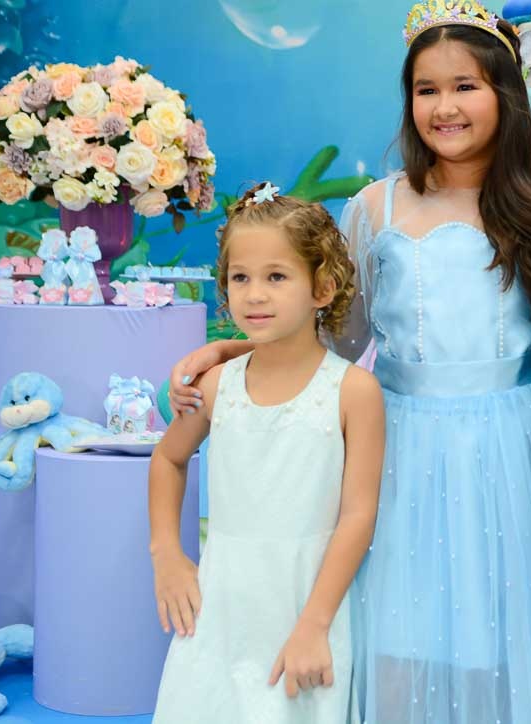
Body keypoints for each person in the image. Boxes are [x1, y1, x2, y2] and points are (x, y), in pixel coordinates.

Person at [168, 5, 531, 722]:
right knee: (399, 630)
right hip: (399, 447)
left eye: (466, 87)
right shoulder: (376, 208)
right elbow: (336, 343)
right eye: (427, 90)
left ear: (505, 93)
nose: (445, 106)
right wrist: (237, 351)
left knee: (511, 635)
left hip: (513, 451)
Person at [149, 184, 384, 723]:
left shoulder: (353, 392)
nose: (254, 295)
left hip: (308, 606)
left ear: (322, 287)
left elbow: (358, 516)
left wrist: (315, 624)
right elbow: (168, 459)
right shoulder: (216, 386)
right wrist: (166, 553)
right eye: (240, 278)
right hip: (221, 608)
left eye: (276, 277)